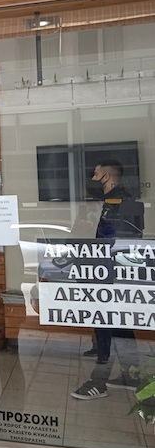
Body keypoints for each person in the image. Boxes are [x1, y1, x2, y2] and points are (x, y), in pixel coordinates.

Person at [72, 159, 144, 400]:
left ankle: (99, 382)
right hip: (97, 270)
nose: (91, 178)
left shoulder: (126, 202)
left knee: (106, 324)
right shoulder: (97, 203)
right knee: (118, 323)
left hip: (112, 273)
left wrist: (94, 229)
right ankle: (132, 375)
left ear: (107, 177)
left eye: (95, 174)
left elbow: (124, 238)